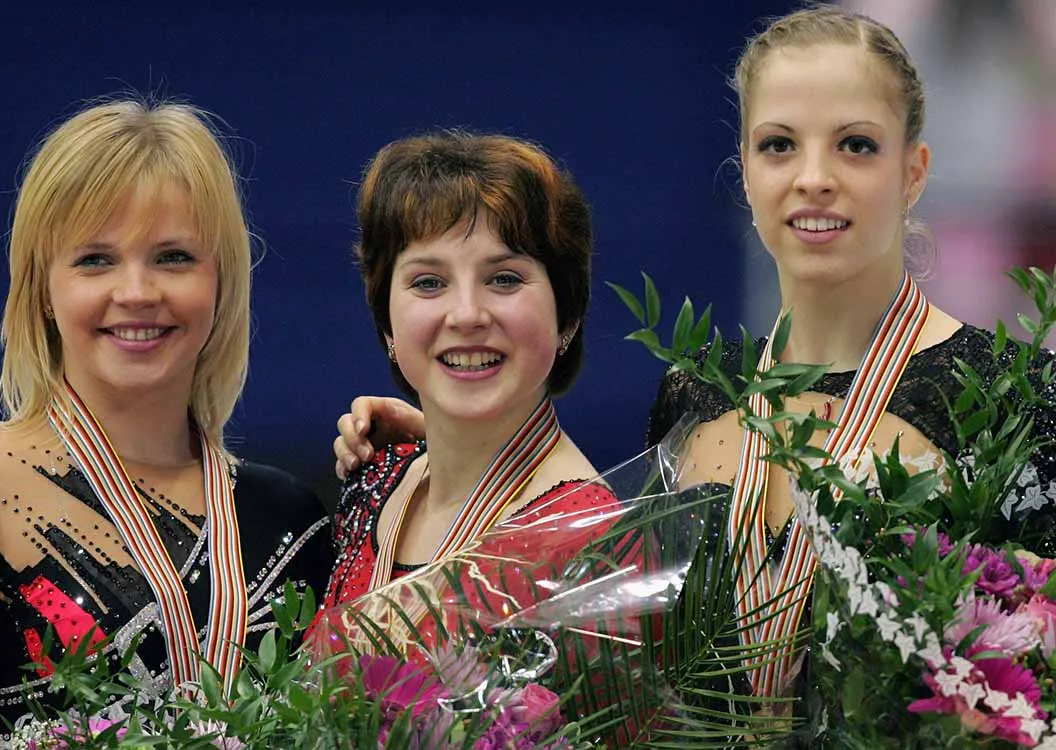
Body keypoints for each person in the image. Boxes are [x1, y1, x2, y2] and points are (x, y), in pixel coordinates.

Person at [329, 1, 1056, 720]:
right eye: (779, 145)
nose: (813, 177)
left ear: (915, 171)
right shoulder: (698, 394)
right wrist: (451, 443)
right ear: (744, 171)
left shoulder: (1010, 399)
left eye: (855, 145)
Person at [0, 97, 332, 746]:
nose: (137, 291)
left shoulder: (289, 519)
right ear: (42, 288)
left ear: (221, 282)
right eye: (95, 259)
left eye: (173, 257)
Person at [316, 130, 624, 632]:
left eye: (504, 278)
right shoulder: (378, 481)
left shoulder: (588, 543)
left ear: (567, 314)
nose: (466, 314)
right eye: (428, 282)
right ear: (387, 322)